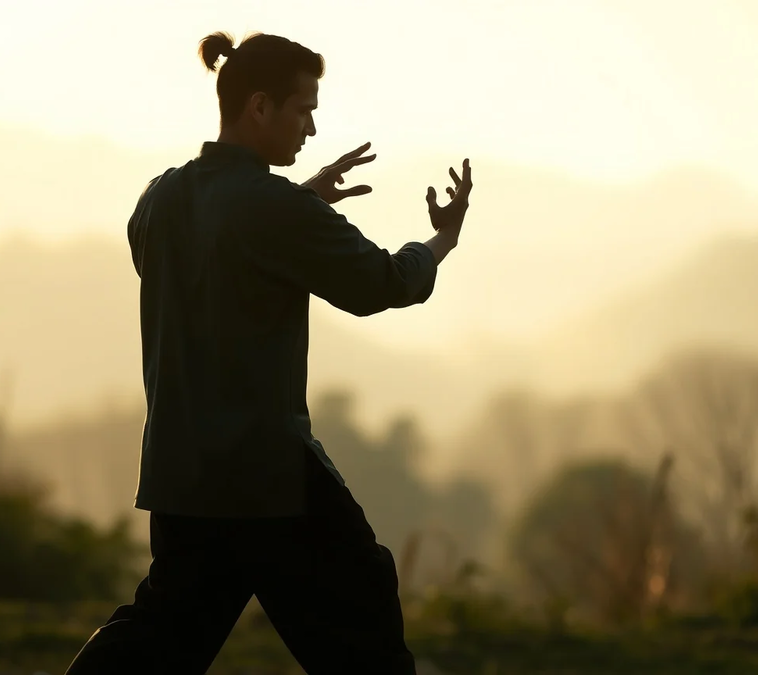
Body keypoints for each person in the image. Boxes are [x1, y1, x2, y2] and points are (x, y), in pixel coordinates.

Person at [64, 30, 473, 675]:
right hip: (267, 478)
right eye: (303, 108)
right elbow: (383, 285)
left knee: (156, 639)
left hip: (182, 476)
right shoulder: (273, 209)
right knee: (362, 610)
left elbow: (218, 253)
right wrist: (441, 240)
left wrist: (300, 201)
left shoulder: (157, 199)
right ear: (259, 107)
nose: (311, 128)